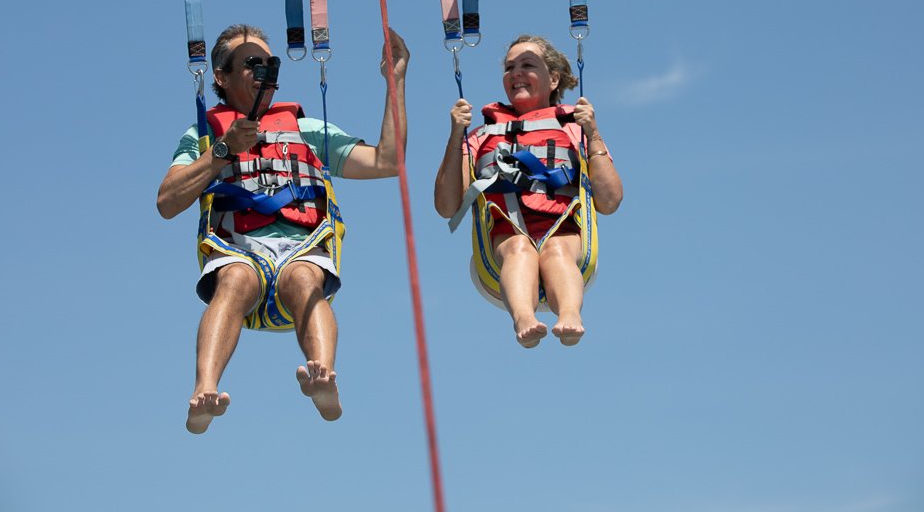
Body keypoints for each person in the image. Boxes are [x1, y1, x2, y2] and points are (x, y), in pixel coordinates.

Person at [157, 24, 409, 433]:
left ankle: (322, 375)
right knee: (235, 279)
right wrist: (223, 151)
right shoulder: (203, 136)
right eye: (250, 63)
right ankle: (205, 388)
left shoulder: (305, 130)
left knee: (304, 278)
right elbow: (167, 202)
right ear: (221, 76)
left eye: (269, 64)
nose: (263, 71)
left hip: (302, 245)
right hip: (238, 248)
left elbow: (387, 161)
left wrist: (395, 81)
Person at [434, 34, 622, 348]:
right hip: (505, 237)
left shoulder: (574, 128)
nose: (516, 73)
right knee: (519, 248)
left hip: (563, 229)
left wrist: (593, 133)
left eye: (527, 65)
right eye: (509, 67)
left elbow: (610, 201)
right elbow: (446, 207)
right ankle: (524, 319)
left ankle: (570, 314)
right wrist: (456, 135)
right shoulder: (481, 135)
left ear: (553, 79)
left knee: (556, 249)